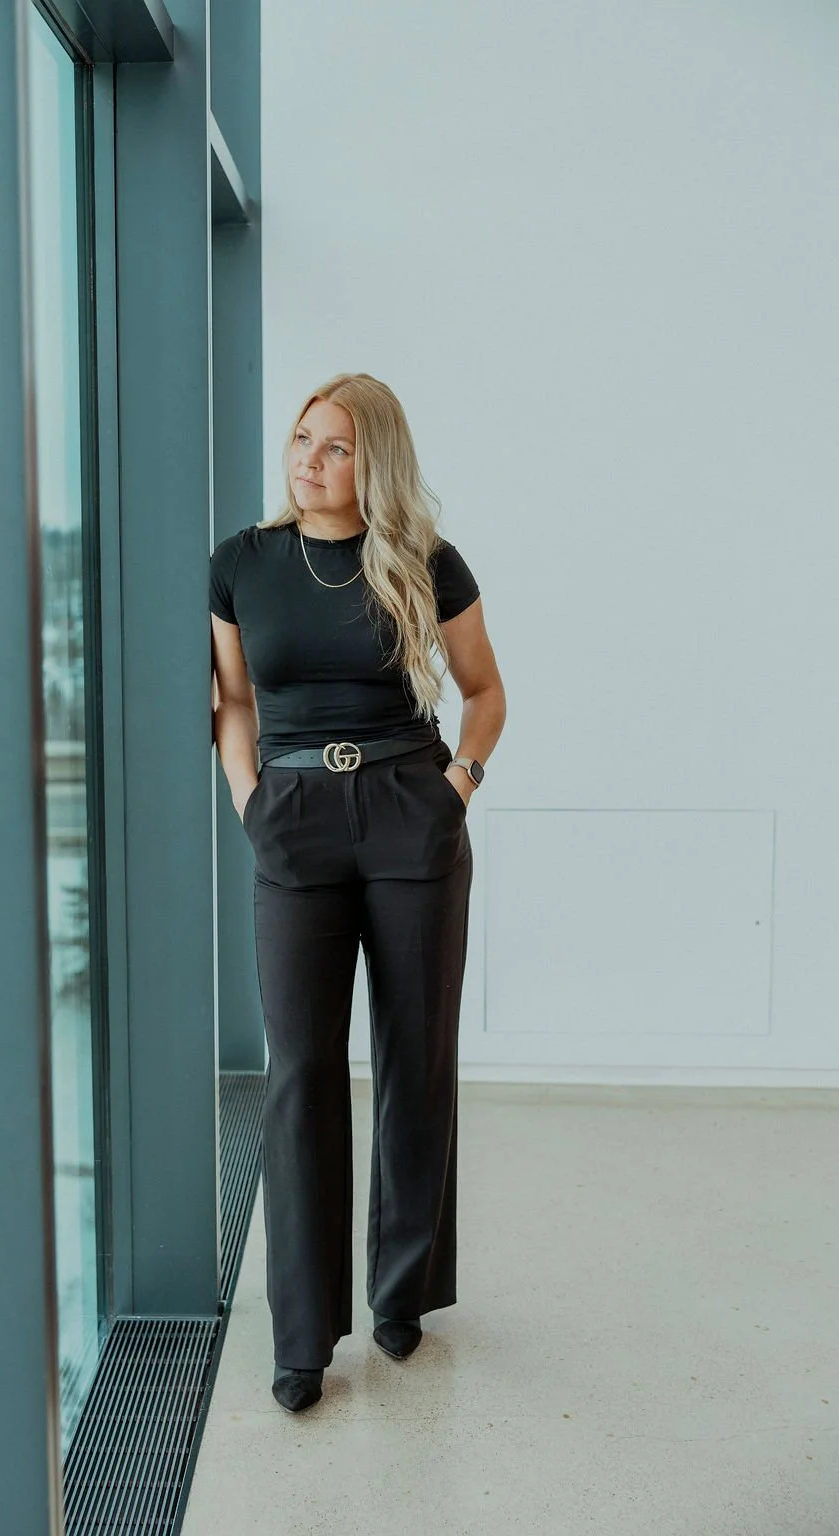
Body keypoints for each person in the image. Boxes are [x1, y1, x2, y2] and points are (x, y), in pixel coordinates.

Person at [209, 372, 506, 1413]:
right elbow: (234, 699)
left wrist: (455, 785)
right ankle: (301, 1338)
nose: (309, 460)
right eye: (301, 439)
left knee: (416, 1056)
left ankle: (402, 1290)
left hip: (405, 808)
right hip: (292, 815)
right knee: (298, 1071)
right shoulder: (242, 563)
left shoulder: (424, 561)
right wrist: (249, 798)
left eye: (333, 446)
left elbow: (484, 690)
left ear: (370, 459)